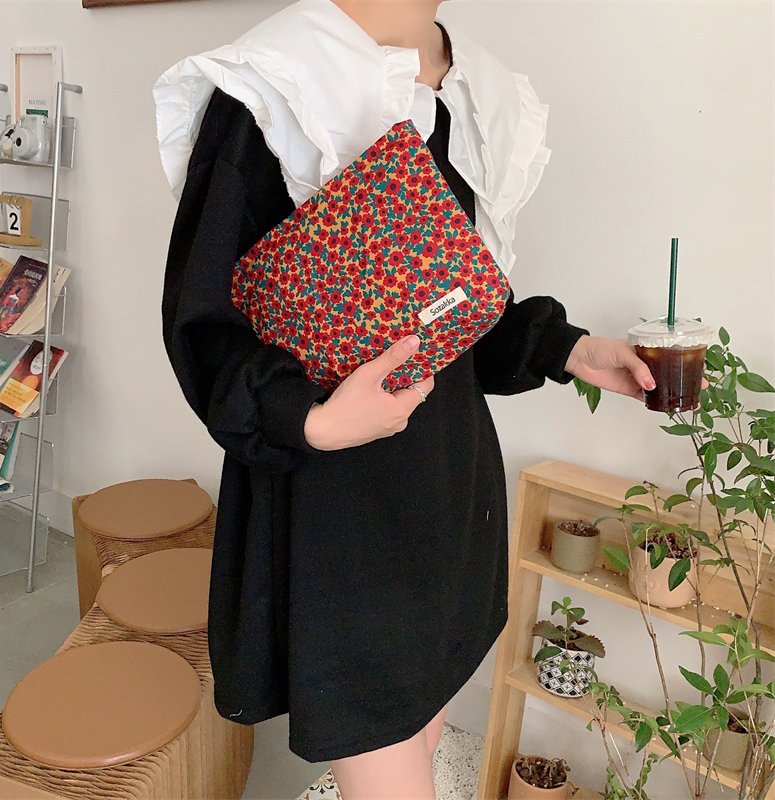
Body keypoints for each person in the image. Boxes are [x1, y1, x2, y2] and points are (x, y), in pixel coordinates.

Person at [153, 2, 660, 797]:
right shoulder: (275, 84)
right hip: (341, 527)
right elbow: (203, 321)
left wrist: (564, 348)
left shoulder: (478, 91)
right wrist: (311, 420)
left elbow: (452, 309)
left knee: (422, 736)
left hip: (452, 502)